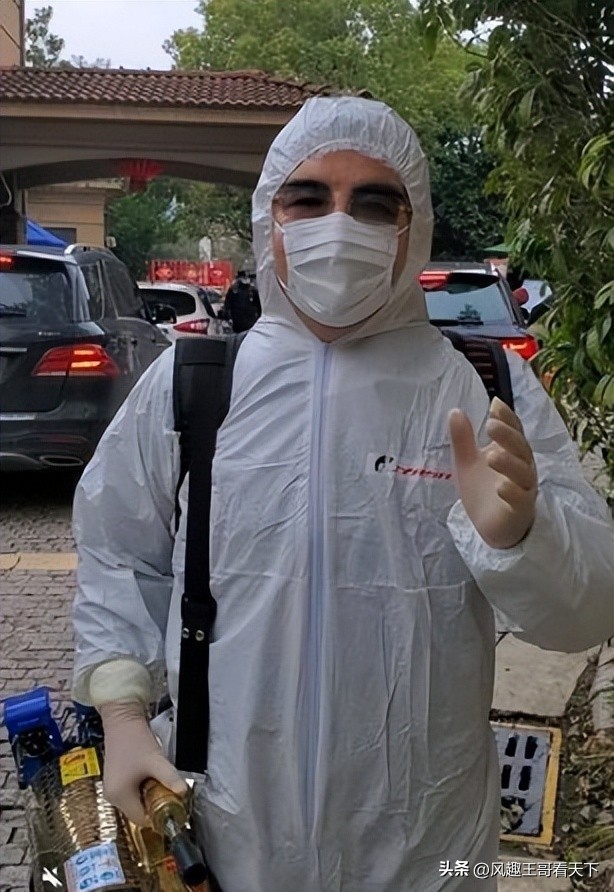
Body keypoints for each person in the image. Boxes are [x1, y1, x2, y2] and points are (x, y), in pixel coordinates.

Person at [72, 96, 613, 892]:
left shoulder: (482, 388)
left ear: (411, 225)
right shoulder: (195, 387)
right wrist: (123, 716)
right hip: (229, 835)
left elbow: (590, 611)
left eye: (373, 203)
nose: (339, 223)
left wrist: (526, 540)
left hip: (428, 847)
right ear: (270, 218)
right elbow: (120, 555)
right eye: (309, 198)